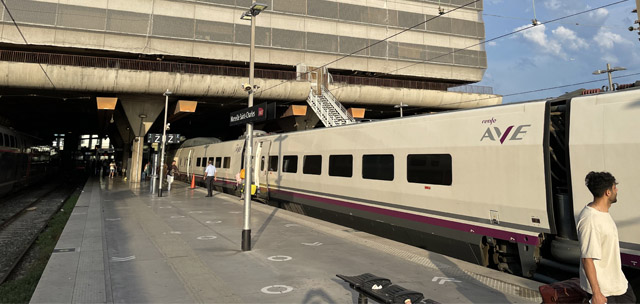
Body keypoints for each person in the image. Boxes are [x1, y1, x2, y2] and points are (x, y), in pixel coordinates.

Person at [577, 171, 636, 304]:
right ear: (608, 192)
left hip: (617, 281)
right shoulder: (590, 220)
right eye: (614, 187)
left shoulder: (602, 213)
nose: (617, 190)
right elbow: (587, 258)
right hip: (603, 288)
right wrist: (597, 293)